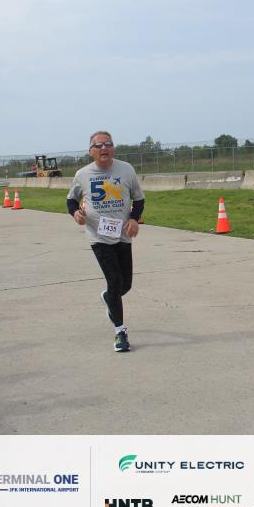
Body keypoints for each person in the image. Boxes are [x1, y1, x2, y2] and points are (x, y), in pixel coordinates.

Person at [66, 131, 145, 352]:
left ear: (113, 148)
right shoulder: (83, 174)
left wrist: (134, 218)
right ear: (90, 151)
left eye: (108, 144)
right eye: (98, 145)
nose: (104, 148)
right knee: (114, 281)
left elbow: (139, 199)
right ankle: (120, 332)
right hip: (98, 236)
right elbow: (71, 200)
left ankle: (108, 297)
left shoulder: (126, 169)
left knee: (125, 285)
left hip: (123, 234)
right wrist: (75, 213)